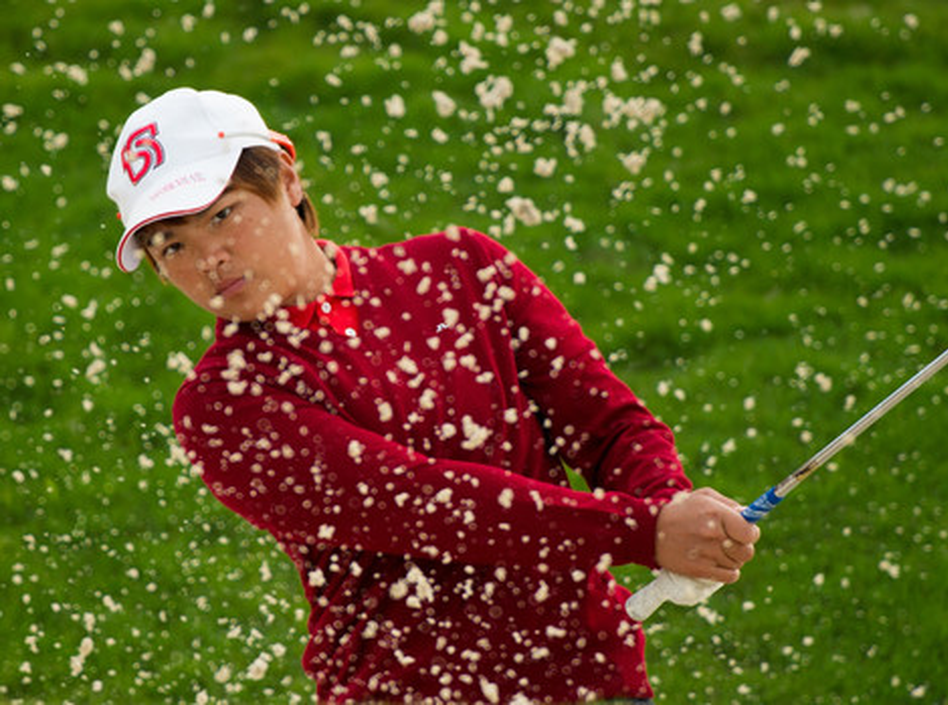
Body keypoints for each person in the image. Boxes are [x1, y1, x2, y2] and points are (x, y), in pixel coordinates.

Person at [105, 87, 759, 704]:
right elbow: (424, 503)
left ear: (288, 179)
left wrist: (671, 505)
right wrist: (645, 531)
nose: (210, 257)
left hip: (589, 674)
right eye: (174, 246)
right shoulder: (221, 406)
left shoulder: (461, 268)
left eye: (224, 214)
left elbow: (611, 426)